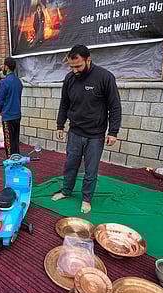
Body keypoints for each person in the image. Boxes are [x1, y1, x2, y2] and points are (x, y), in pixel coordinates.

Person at [52, 45, 122, 214]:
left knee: (91, 170)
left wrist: (113, 132)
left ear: (88, 60)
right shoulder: (69, 79)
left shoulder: (105, 77)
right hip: (75, 131)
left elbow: (115, 107)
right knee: (70, 164)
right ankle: (66, 191)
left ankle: (86, 199)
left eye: (78, 66)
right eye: (71, 66)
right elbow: (64, 104)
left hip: (95, 135)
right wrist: (60, 125)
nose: (75, 70)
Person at [0, 57, 23, 157]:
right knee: (15, 140)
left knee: (8, 142)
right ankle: (17, 159)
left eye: (4, 66)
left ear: (6, 67)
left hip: (8, 116)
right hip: (17, 115)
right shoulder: (18, 82)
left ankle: (10, 160)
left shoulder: (5, 82)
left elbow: (0, 100)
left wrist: (1, 111)